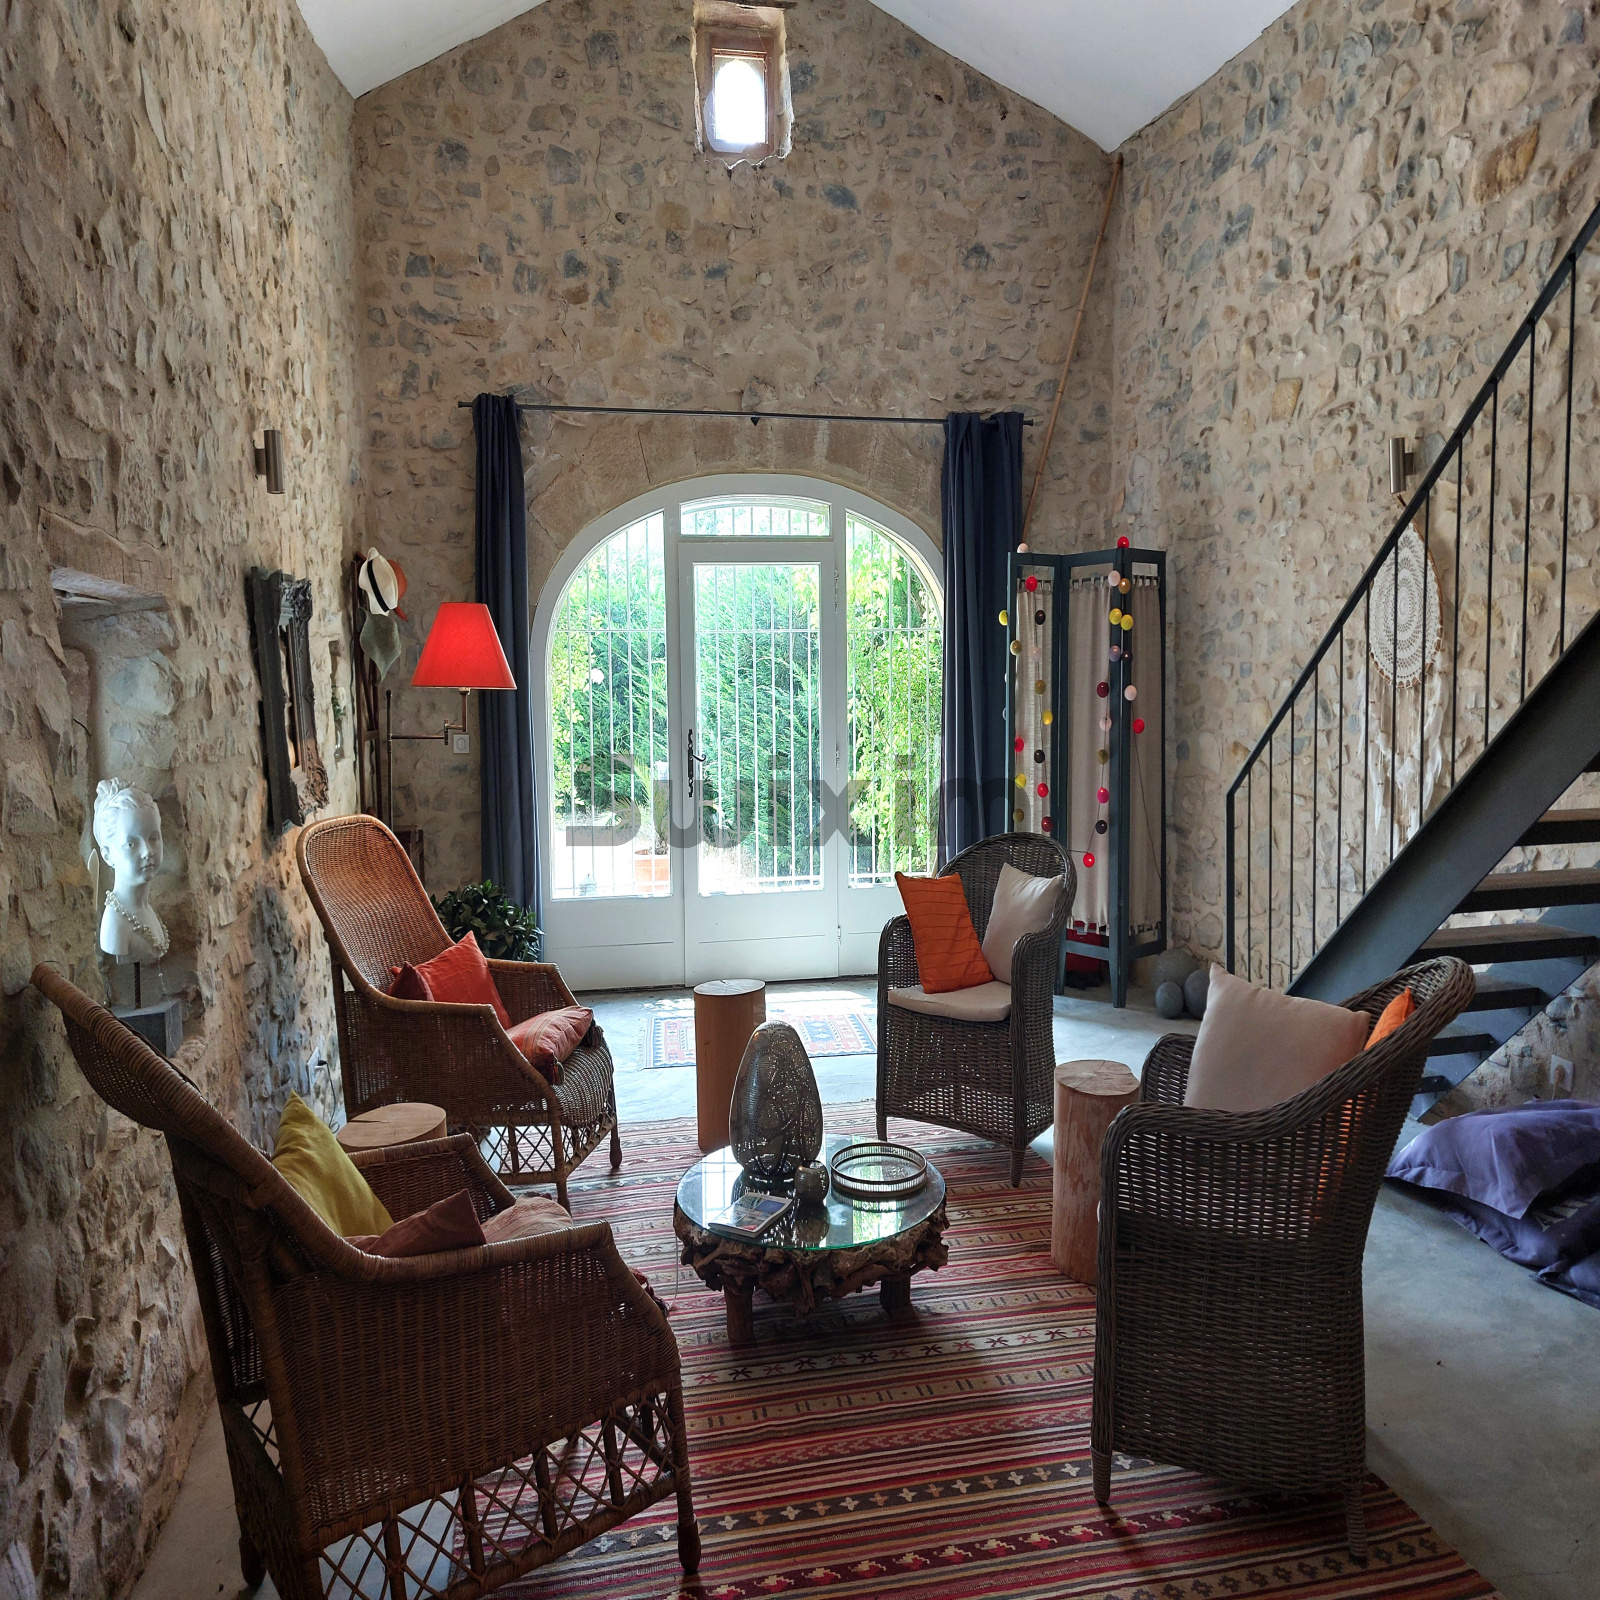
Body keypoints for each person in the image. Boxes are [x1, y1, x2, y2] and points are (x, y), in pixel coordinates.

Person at [94, 779, 169, 963]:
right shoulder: (116, 924)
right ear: (107, 855)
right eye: (131, 844)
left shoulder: (145, 910)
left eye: (153, 838)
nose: (147, 852)